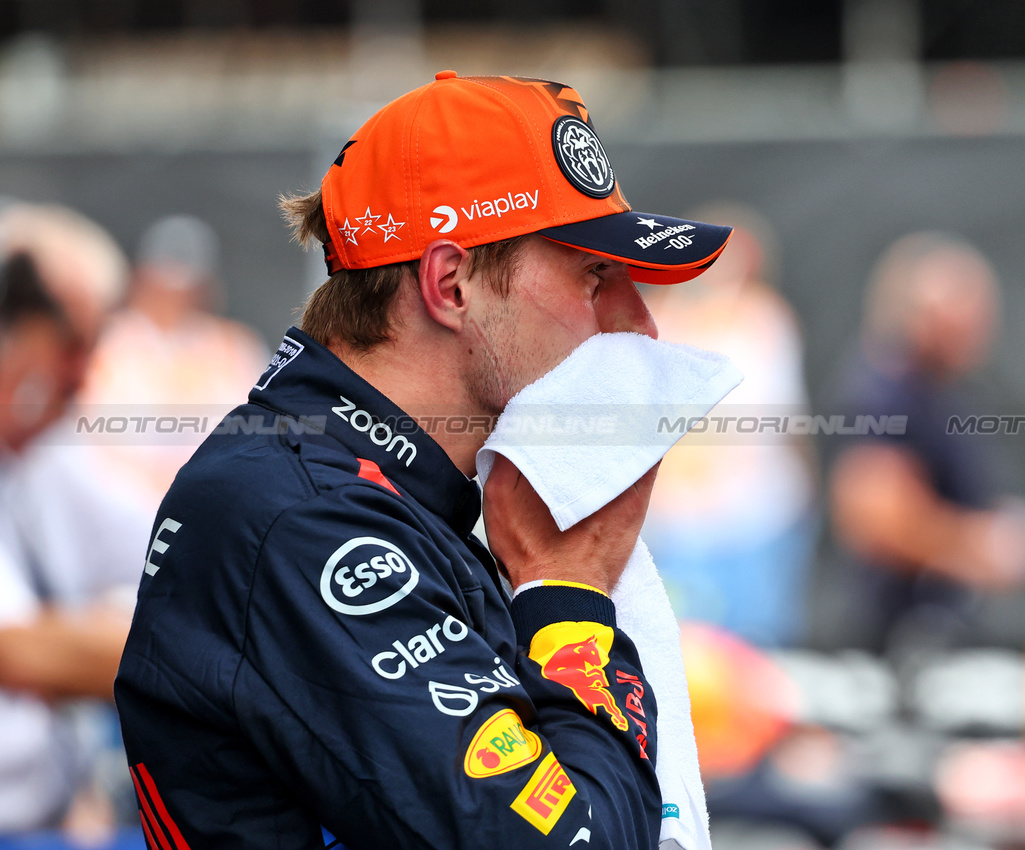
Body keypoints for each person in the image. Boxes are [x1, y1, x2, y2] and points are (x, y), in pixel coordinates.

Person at [114, 72, 733, 849]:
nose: (637, 326)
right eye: (594, 275)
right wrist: (567, 596)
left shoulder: (392, 495)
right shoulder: (305, 517)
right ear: (450, 285)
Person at [828, 232, 1025, 654]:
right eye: (962, 307)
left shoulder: (937, 390)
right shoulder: (887, 392)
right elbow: (873, 515)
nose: (976, 323)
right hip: (904, 637)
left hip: (943, 630)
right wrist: (986, 544)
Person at [0, 210, 143, 836]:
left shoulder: (36, 456)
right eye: (71, 345)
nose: (83, 375)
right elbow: (18, 651)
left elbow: (182, 540)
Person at [641, 202, 817, 646]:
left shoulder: (764, 321)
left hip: (755, 523)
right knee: (685, 651)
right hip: (678, 526)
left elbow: (784, 420)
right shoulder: (655, 319)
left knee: (755, 649)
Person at [81, 214, 266, 512]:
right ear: (140, 278)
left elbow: (253, 434)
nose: (173, 297)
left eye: (184, 285)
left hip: (207, 507)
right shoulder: (104, 342)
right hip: (111, 509)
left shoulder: (234, 346)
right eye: (164, 282)